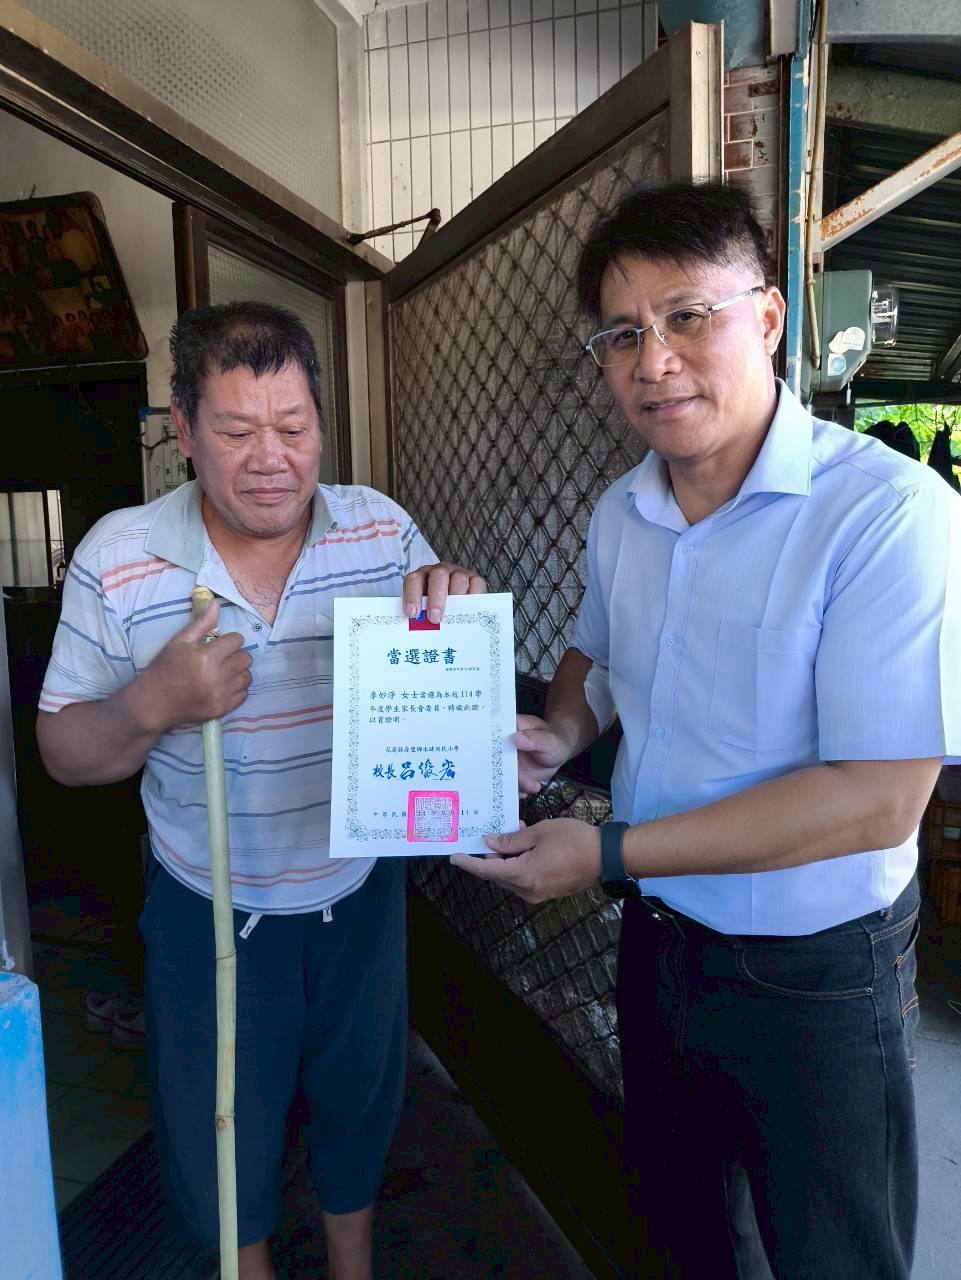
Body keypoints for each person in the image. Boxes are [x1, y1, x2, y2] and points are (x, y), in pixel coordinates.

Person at [408, 183, 961, 1279]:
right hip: (657, 947)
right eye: (621, 334)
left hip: (816, 974)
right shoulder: (623, 509)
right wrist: (561, 729)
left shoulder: (887, 514)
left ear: (767, 318)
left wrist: (606, 852)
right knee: (679, 1236)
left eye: (686, 316)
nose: (652, 361)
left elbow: (876, 799)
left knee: (833, 1257)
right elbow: (597, 654)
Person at [36, 300, 482, 1280]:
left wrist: (453, 615)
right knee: (219, 1123)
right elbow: (64, 751)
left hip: (356, 887)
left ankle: (352, 1266)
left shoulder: (379, 530)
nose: (271, 458)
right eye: (237, 431)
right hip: (207, 899)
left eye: (293, 427)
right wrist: (154, 701)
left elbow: (437, 681)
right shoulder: (119, 555)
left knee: (359, 1096)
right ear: (184, 429)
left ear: (321, 420)